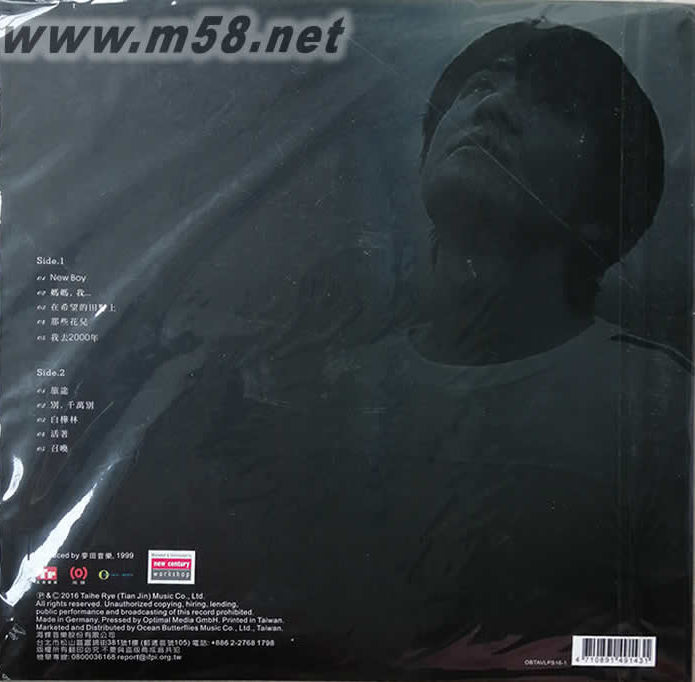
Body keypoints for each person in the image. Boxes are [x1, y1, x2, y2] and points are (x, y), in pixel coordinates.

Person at [89, 19, 692, 675]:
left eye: (555, 101)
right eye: (479, 86)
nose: (492, 105)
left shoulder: (659, 410)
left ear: (605, 208)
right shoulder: (324, 397)